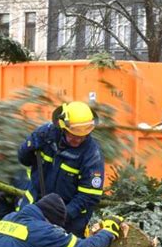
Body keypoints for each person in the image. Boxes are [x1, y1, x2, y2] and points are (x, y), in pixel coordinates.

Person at [18, 101, 104, 238]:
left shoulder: (92, 155)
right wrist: (29, 147)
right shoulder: (45, 135)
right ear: (63, 127)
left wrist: (61, 216)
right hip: (34, 206)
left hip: (69, 220)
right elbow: (24, 160)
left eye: (83, 136)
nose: (78, 140)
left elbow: (89, 196)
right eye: (74, 135)